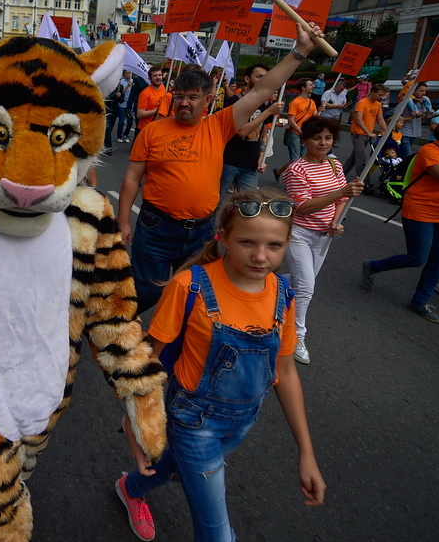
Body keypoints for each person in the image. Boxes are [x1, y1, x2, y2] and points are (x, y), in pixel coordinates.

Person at [116, 189, 326, 542]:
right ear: (224, 237)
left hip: (243, 421)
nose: (260, 256)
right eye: (247, 242)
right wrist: (136, 424)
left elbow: (285, 373)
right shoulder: (190, 286)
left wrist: (306, 453)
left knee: (172, 467)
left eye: (274, 245)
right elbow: (146, 362)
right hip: (193, 421)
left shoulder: (282, 293)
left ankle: (130, 487)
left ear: (288, 242)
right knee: (217, 534)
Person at [118, 22, 323, 314]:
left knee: (196, 297)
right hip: (156, 228)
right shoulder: (153, 131)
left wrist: (300, 50)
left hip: (202, 231)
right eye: (179, 97)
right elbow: (131, 178)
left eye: (192, 98)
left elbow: (264, 88)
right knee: (146, 292)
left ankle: (174, 346)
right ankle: (119, 339)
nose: (184, 103)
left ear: (208, 100)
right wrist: (124, 222)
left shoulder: (219, 124)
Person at [362, 112, 439, 322]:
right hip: (420, 210)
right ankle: (373, 266)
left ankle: (420, 301)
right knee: (417, 258)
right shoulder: (430, 150)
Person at [283, 117, 364, 365]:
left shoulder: (334, 164)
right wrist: (341, 192)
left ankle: (266, 282)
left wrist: (336, 223)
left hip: (324, 235)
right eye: (317, 138)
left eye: (328, 138)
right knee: (306, 288)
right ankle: (297, 337)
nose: (323, 142)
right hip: (298, 234)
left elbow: (341, 201)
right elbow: (305, 207)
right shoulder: (296, 170)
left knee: (300, 280)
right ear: (305, 140)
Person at [220, 63, 282, 199]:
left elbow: (263, 134)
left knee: (251, 203)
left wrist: (261, 157)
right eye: (259, 76)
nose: (263, 80)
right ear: (247, 79)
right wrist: (267, 112)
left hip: (251, 164)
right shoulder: (234, 102)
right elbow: (241, 132)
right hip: (228, 162)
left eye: (266, 77)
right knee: (216, 203)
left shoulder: (266, 104)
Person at [343, 84, 388, 188]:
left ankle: (339, 175)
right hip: (358, 134)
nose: (381, 97)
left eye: (383, 95)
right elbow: (358, 119)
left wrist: (387, 131)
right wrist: (368, 132)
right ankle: (364, 182)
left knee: (353, 158)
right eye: (380, 95)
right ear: (373, 92)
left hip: (368, 135)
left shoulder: (377, 104)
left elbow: (380, 119)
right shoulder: (362, 103)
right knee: (360, 158)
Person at [399, 82, 433, 157]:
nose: (423, 93)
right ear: (414, 91)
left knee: (402, 156)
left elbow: (422, 118)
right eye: (421, 91)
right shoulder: (406, 101)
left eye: (424, 91)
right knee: (407, 156)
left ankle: (430, 111)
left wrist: (427, 114)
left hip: (414, 133)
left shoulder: (423, 101)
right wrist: (410, 118)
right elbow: (396, 118)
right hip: (404, 133)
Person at [135, 66, 166, 136]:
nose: (158, 77)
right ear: (150, 79)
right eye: (155, 76)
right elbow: (139, 114)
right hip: (145, 129)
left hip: (158, 128)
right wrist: (157, 110)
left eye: (159, 75)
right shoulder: (145, 93)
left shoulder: (165, 88)